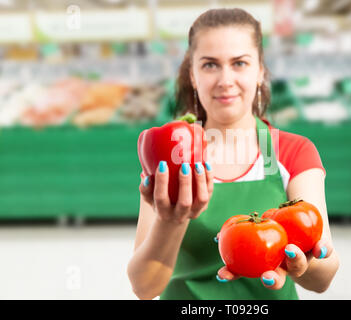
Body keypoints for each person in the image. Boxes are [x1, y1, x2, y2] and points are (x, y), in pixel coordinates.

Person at [127, 8, 339, 300]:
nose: (225, 79)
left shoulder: (292, 152)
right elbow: (144, 288)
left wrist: (301, 265)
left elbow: (324, 276)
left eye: (239, 63)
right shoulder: (172, 155)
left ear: (260, 70)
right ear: (192, 74)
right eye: (210, 65)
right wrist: (171, 221)